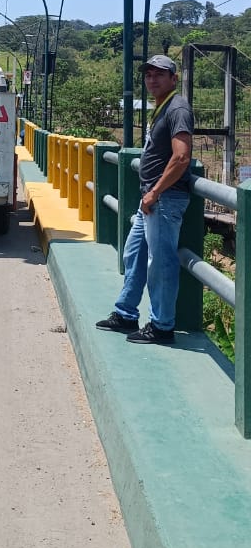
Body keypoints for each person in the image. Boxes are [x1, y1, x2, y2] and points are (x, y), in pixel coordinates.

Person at [96, 55, 193, 345]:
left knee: (160, 263)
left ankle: (162, 326)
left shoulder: (178, 108)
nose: (152, 79)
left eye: (159, 74)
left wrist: (155, 192)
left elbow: (181, 157)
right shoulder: (161, 107)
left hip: (163, 198)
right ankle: (126, 313)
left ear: (173, 78)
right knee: (134, 254)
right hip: (151, 198)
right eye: (149, 74)